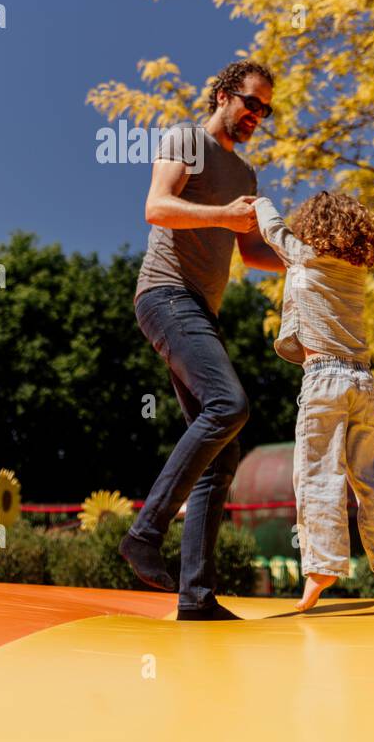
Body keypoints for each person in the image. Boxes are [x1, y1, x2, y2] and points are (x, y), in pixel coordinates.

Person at [119, 60, 284, 620]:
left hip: (201, 311)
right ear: (222, 95)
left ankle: (196, 598)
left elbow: (252, 252)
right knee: (229, 404)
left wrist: (307, 253)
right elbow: (156, 207)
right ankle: (145, 531)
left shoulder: (247, 176)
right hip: (165, 296)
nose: (256, 116)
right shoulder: (185, 139)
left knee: (224, 451)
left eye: (265, 109)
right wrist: (222, 214)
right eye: (250, 103)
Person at [252, 189, 374, 611]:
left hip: (324, 379)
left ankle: (321, 566)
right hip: (362, 382)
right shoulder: (355, 269)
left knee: (316, 472)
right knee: (367, 474)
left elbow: (272, 231)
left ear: (313, 227)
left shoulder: (304, 256)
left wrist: (258, 201)